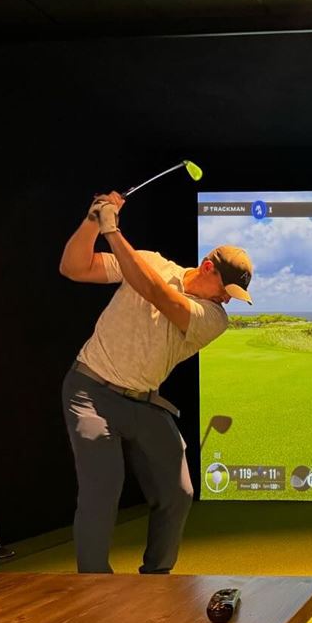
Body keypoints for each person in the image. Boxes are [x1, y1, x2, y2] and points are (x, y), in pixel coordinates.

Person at [58, 191, 253, 574]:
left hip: (144, 402)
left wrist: (113, 232)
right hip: (90, 391)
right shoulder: (150, 262)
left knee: (178, 492)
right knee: (103, 488)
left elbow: (157, 294)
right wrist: (94, 221)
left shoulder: (214, 318)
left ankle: (156, 577)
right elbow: (74, 268)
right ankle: (94, 586)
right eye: (226, 291)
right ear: (207, 267)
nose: (227, 300)